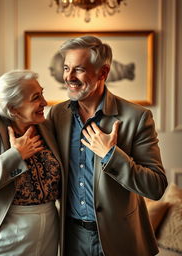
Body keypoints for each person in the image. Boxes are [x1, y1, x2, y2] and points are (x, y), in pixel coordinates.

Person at [47, 35, 168, 256]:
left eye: (79, 69)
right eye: (66, 68)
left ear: (103, 73)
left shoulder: (137, 117)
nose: (69, 77)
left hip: (120, 239)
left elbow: (156, 186)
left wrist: (111, 155)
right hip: (71, 239)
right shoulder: (57, 115)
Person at [0, 70, 63, 256]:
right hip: (7, 235)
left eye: (42, 93)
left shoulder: (45, 125)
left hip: (49, 232)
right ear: (14, 109)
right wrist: (16, 155)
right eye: (36, 97)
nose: (45, 103)